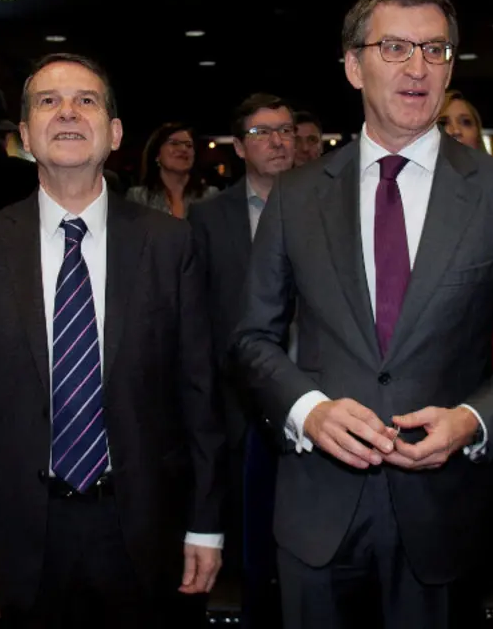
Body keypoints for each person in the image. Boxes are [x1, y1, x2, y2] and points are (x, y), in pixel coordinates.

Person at [231, 0, 493, 629]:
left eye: (435, 49)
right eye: (395, 48)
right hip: (316, 510)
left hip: (444, 512)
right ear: (354, 66)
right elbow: (251, 339)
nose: (418, 67)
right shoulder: (297, 196)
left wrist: (473, 419)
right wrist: (309, 410)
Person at [0, 53, 224, 627]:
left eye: (85, 101)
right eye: (48, 102)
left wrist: (206, 525)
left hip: (144, 526)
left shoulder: (171, 245)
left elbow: (201, 394)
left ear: (114, 134)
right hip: (18, 532)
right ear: (24, 136)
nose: (67, 111)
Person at [188, 92, 297, 627]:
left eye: (285, 130)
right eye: (262, 133)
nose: (278, 141)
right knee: (246, 541)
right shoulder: (208, 218)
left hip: (311, 395)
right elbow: (197, 314)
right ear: (238, 146)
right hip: (235, 402)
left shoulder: (326, 205)